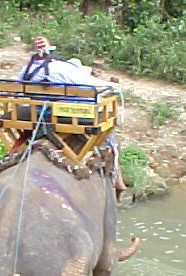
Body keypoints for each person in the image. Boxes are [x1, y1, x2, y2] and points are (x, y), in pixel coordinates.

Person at [17, 36, 127, 198]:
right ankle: (108, 156)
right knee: (107, 121)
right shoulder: (61, 68)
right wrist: (112, 86)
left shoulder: (25, 69)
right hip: (65, 114)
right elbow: (89, 83)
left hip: (37, 113)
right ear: (51, 52)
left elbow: (16, 85)